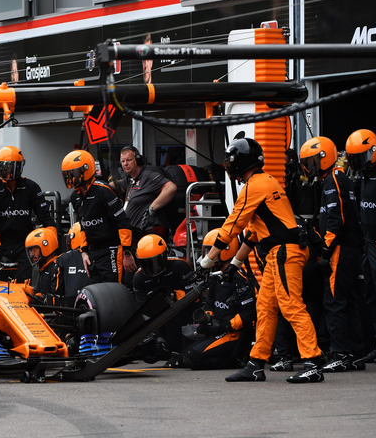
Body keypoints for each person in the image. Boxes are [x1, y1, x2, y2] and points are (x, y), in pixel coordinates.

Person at [200, 136, 324, 383]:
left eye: (230, 161)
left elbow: (233, 225)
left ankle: (313, 361)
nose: (227, 165)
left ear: (239, 162)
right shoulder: (267, 181)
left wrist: (207, 261)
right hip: (280, 252)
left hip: (285, 252)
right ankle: (256, 364)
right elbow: (255, 233)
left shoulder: (254, 186)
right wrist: (234, 264)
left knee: (291, 305)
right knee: (265, 307)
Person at [299, 136, 366, 372]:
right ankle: (355, 353)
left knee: (335, 301)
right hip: (349, 248)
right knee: (349, 301)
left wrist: (325, 249)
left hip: (340, 249)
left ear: (324, 157)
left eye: (312, 161)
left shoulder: (334, 179)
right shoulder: (333, 179)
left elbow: (336, 218)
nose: (309, 167)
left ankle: (339, 353)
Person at [182, 229, 255, 370]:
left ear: (227, 250)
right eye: (209, 251)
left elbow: (249, 312)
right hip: (218, 330)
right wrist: (208, 319)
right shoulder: (217, 276)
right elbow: (210, 303)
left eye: (213, 251)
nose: (210, 255)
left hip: (233, 334)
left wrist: (226, 325)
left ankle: (238, 358)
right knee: (183, 353)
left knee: (191, 357)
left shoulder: (239, 278)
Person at [0, 146, 55, 282]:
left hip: (25, 244)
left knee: (24, 283)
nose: (5, 170)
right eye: (2, 166)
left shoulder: (31, 187)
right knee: (2, 284)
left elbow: (45, 217)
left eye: (9, 167)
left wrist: (51, 242)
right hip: (2, 244)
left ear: (18, 167)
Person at [63, 149, 134, 283]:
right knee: (96, 290)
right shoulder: (75, 196)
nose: (70, 178)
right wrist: (83, 252)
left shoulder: (103, 191)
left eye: (73, 173)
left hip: (112, 248)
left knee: (113, 288)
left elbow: (123, 222)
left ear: (86, 170)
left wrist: (127, 253)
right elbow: (82, 225)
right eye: (68, 174)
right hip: (92, 251)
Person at [348, 129, 376, 365]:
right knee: (371, 294)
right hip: (369, 243)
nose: (356, 163)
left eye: (359, 157)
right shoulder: (362, 176)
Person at [132, 234, 198, 366]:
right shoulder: (138, 278)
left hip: (183, 313)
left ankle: (177, 348)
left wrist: (174, 295)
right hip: (157, 317)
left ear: (164, 256)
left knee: (170, 308)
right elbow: (143, 310)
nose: (152, 268)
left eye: (155, 262)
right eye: (146, 264)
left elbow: (195, 296)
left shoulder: (181, 266)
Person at [118, 146, 178, 240]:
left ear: (138, 160)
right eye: (123, 161)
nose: (125, 164)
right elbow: (116, 186)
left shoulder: (148, 175)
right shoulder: (130, 179)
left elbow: (171, 187)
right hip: (132, 234)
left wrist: (152, 207)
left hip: (147, 235)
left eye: (129, 160)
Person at [55, 222, 93, 307]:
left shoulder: (63, 258)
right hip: (94, 303)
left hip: (69, 307)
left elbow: (57, 288)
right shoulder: (98, 256)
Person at [24, 227, 60, 303]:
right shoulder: (44, 267)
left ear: (45, 247)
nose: (31, 254)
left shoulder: (56, 268)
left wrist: (37, 298)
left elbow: (54, 299)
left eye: (34, 250)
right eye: (30, 251)